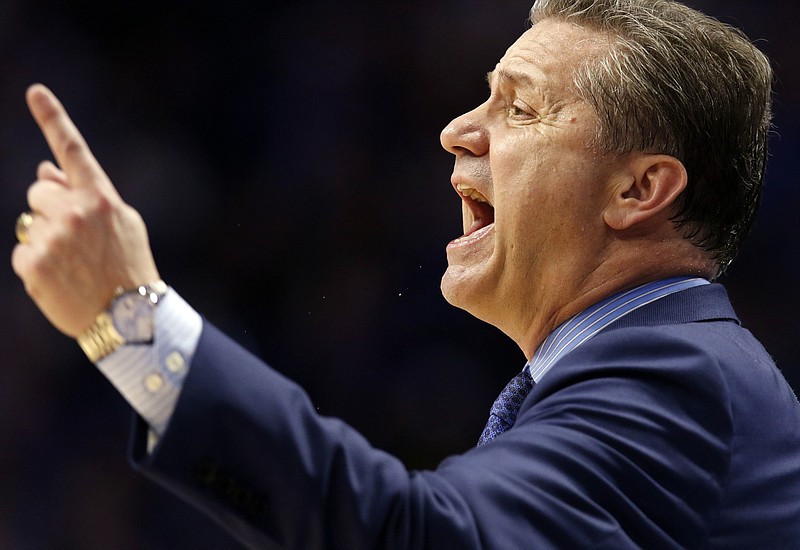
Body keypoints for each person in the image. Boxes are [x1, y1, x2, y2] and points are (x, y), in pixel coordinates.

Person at [11, 0, 800, 547]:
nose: (458, 131)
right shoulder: (654, 374)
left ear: (638, 190)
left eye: (519, 109)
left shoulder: (678, 377)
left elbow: (416, 535)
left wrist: (130, 315)